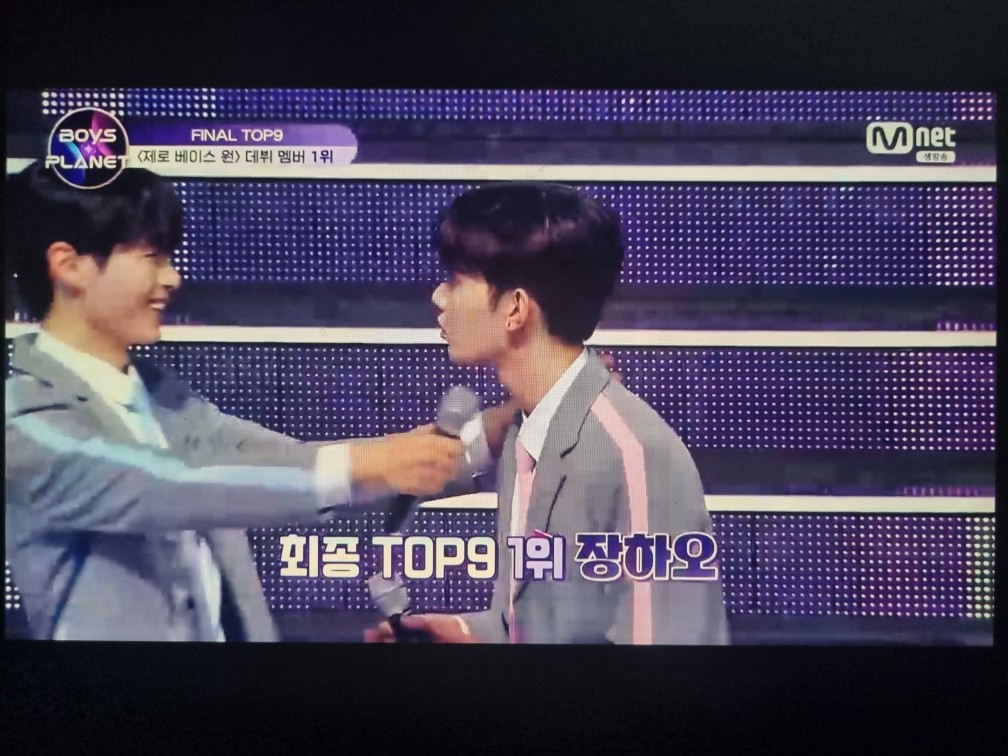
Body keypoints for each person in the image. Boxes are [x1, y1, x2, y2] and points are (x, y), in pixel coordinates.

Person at [3, 161, 512, 641]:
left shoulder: (163, 398)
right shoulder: (23, 421)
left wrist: (491, 433)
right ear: (69, 265)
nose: (171, 278)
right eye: (151, 257)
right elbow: (170, 486)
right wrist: (372, 462)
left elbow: (290, 466)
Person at [366, 182, 729, 644]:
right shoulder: (525, 433)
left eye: (456, 281)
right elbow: (546, 623)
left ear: (515, 309)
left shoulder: (633, 455)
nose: (439, 296)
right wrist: (466, 633)